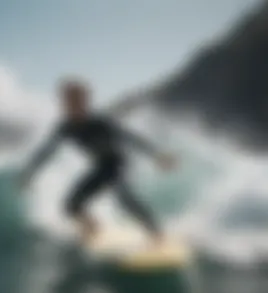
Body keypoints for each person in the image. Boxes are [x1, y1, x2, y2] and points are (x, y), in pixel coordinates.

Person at [20, 77, 177, 245]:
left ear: (85, 101)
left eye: (78, 100)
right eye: (69, 100)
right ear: (64, 103)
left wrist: (157, 155)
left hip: (118, 164)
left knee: (123, 198)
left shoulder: (100, 122)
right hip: (101, 167)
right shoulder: (65, 127)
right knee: (71, 207)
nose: (73, 104)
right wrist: (30, 173)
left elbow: (130, 137)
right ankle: (93, 230)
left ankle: (156, 232)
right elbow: (47, 151)